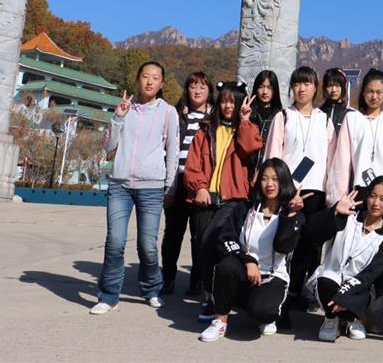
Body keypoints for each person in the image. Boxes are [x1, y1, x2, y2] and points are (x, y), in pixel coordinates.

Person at [91, 61, 181, 315]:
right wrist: (118, 117)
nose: (149, 81)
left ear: (162, 84)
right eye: (145, 76)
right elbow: (108, 146)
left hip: (152, 187)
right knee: (114, 242)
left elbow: (173, 151)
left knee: (147, 246)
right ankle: (108, 296)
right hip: (120, 185)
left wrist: (170, 186)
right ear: (138, 79)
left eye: (155, 78)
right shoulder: (125, 109)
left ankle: (152, 289)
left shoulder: (168, 112)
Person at [198, 158, 306, 342]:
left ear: (284, 181)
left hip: (273, 276)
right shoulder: (244, 209)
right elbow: (225, 240)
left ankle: (268, 314)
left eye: (275, 179)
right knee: (226, 266)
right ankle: (220, 321)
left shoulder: (292, 215)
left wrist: (291, 215)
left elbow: (282, 246)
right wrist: (248, 261)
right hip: (245, 269)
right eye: (264, 178)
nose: (269, 184)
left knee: (262, 312)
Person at [183, 81, 263, 322]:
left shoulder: (245, 129)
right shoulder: (205, 130)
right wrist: (200, 187)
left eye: (233, 101)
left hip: (234, 200)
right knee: (202, 247)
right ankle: (210, 296)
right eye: (225, 101)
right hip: (205, 197)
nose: (228, 106)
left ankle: (219, 298)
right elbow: (192, 165)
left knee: (215, 242)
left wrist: (245, 120)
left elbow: (250, 147)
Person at [264, 66, 335, 318]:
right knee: (284, 243)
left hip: (316, 192)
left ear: (316, 88)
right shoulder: (283, 116)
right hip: (288, 191)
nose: (302, 88)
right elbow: (273, 155)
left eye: (307, 83)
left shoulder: (324, 120)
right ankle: (280, 292)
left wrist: (332, 193)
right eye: (297, 84)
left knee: (309, 246)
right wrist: (277, 189)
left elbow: (331, 160)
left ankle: (298, 291)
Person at [307, 177, 383, 342]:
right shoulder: (348, 217)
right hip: (329, 281)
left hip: (358, 289)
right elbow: (311, 233)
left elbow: (370, 274)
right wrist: (334, 212)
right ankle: (331, 319)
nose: (376, 203)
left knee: (360, 293)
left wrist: (343, 296)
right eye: (372, 196)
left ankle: (352, 319)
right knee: (326, 279)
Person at [327, 69, 383, 216]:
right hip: (363, 189)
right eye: (370, 91)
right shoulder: (351, 119)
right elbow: (341, 162)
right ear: (363, 93)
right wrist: (337, 199)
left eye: (379, 92)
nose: (374, 96)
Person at [161, 71, 213, 296]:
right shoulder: (177, 115)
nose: (197, 90)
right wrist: (168, 186)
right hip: (178, 181)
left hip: (202, 185)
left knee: (200, 236)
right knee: (173, 234)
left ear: (209, 91)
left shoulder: (214, 118)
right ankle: (168, 277)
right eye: (193, 86)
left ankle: (197, 279)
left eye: (202, 86)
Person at [249, 70, 282, 176]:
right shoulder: (248, 114)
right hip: (247, 171)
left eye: (269, 88)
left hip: (270, 173)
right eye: (261, 87)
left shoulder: (280, 116)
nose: (265, 92)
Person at [320, 68, 352, 136]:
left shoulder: (350, 114)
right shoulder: (318, 113)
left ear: (344, 86)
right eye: (330, 86)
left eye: (337, 85)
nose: (333, 90)